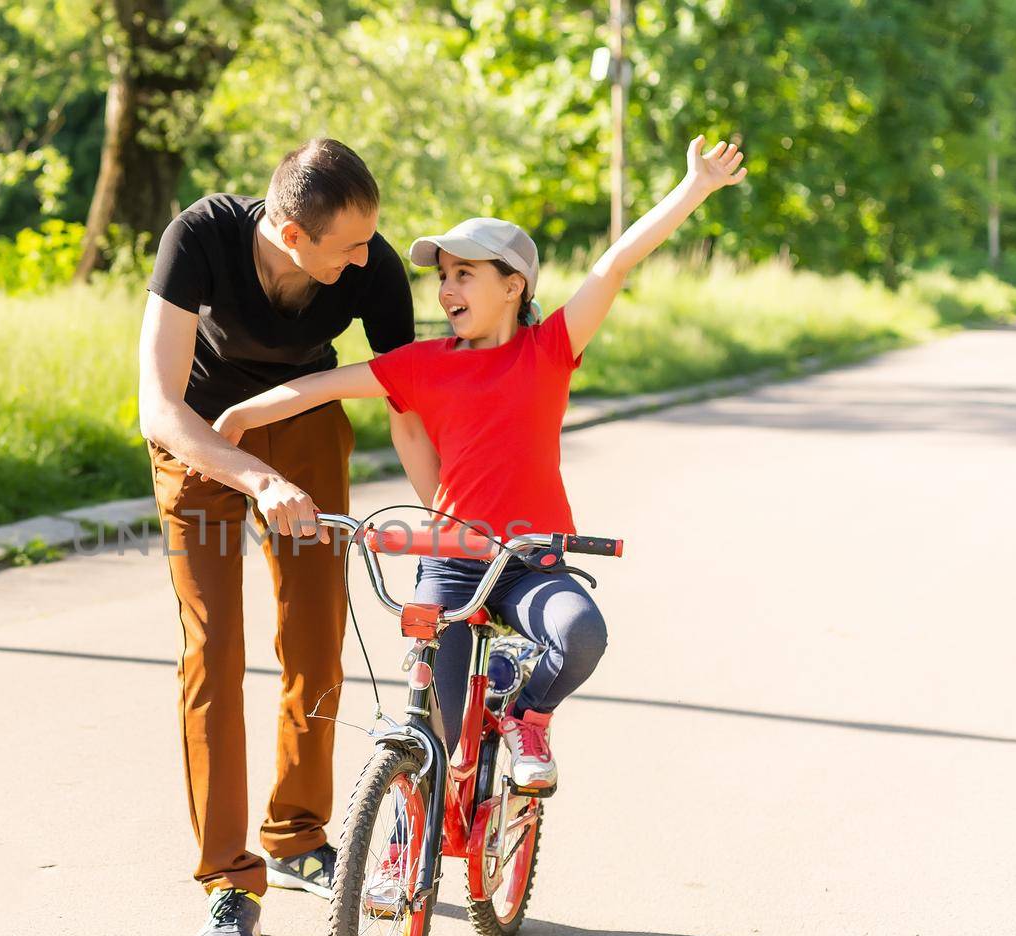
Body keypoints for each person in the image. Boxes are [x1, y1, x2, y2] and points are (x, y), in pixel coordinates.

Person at [214, 135, 748, 791]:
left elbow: (614, 264)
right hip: (451, 560)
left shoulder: (547, 350)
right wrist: (239, 418)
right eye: (441, 275)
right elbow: (320, 385)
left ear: (512, 285)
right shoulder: (423, 365)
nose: (445, 289)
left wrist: (693, 187)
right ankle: (400, 852)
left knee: (581, 633)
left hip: (530, 557)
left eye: (464, 273)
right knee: (431, 734)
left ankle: (526, 714)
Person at [137, 139, 425, 936]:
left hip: (301, 428)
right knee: (213, 649)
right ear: (293, 235)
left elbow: (406, 397)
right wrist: (254, 478)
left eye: (370, 239)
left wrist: (450, 506)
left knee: (314, 637)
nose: (369, 257)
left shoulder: (369, 268)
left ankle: (299, 835)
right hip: (200, 441)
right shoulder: (199, 238)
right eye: (350, 244)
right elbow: (158, 405)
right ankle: (231, 880)